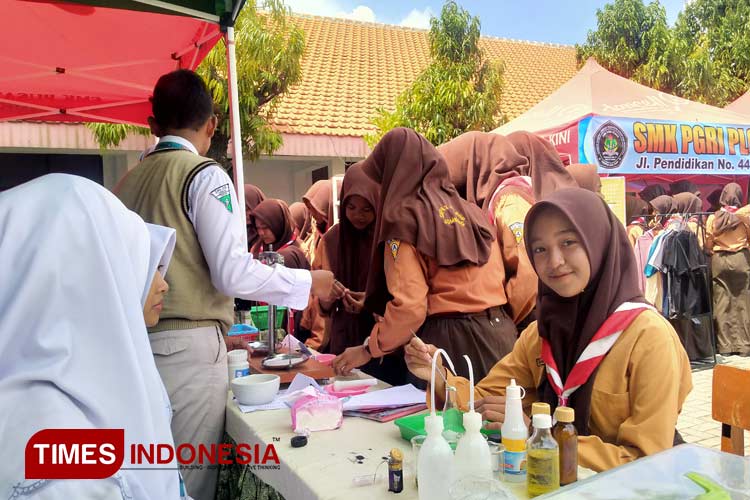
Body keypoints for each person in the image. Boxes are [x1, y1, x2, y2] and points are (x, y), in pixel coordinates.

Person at [115, 69, 336, 500]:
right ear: (212, 125)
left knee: (144, 476)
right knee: (188, 479)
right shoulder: (204, 176)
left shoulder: (126, 183)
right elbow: (231, 272)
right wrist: (309, 281)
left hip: (131, 344)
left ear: (154, 125)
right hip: (185, 348)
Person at [405, 187, 692, 472]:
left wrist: (540, 437)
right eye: (540, 249)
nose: (554, 262)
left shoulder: (649, 338)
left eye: (568, 242)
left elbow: (647, 460)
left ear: (599, 243)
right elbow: (485, 401)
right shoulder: (541, 334)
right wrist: (440, 376)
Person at [0, 174, 182, 499]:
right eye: (131, 262)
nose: (161, 283)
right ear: (86, 275)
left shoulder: (90, 383)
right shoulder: (60, 460)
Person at [333, 128, 515, 382]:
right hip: (502, 335)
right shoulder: (472, 212)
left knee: (441, 420)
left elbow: (410, 308)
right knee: (496, 419)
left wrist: (367, 349)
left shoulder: (403, 222)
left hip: (449, 346)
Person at [438, 131, 576, 328]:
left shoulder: (509, 200)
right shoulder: (518, 193)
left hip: (531, 317)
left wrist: (504, 319)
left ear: (473, 167)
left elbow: (527, 276)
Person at [315, 164, 407, 385]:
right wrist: (330, 294)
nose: (358, 215)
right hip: (344, 339)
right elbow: (322, 304)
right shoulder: (331, 241)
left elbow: (404, 290)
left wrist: (371, 300)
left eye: (367, 209)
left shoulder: (390, 240)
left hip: (383, 344)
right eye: (352, 207)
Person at [705, 183, 750, 355]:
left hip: (719, 259)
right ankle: (744, 346)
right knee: (742, 301)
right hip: (740, 258)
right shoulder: (744, 216)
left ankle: (725, 347)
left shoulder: (712, 218)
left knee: (722, 302)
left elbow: (708, 242)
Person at [249, 199, 310, 271]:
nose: (261, 233)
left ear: (279, 223)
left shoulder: (299, 249)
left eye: (265, 227)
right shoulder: (256, 248)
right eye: (258, 228)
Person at [243, 184, 266, 252]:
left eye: (250, 208)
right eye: (244, 209)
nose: (248, 213)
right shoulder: (237, 231)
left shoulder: (271, 229)